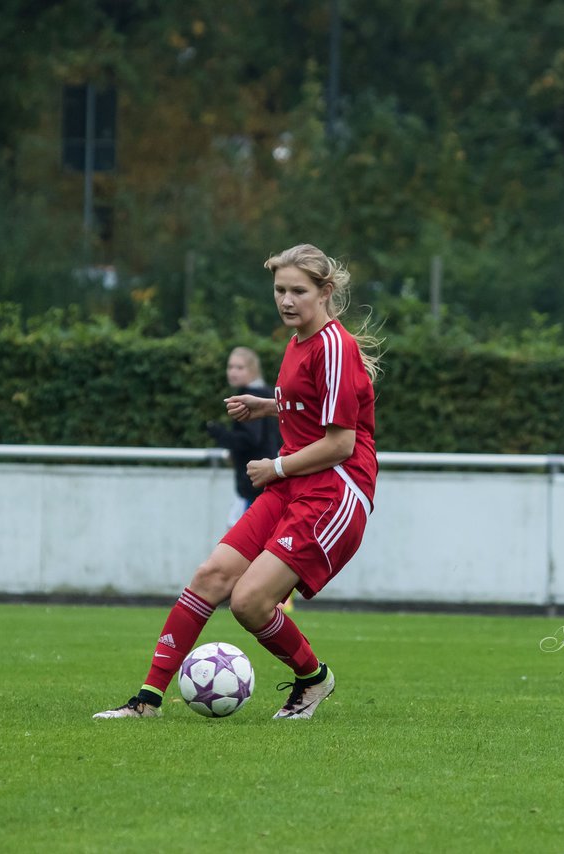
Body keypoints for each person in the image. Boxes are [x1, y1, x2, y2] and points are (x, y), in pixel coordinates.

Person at [95, 243, 379, 720]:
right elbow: (309, 405)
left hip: (335, 491)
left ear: (325, 291)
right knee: (211, 576)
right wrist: (267, 406)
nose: (286, 300)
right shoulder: (297, 342)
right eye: (279, 290)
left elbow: (341, 444)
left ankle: (314, 680)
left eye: (298, 291)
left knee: (249, 602)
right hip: (297, 480)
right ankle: (147, 701)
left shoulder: (335, 346)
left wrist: (276, 467)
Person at [206, 346, 282, 527]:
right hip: (265, 482)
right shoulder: (269, 394)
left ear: (252, 370)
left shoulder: (251, 397)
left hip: (254, 486)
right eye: (230, 367)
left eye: (239, 367)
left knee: (241, 546)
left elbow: (250, 439)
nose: (233, 372)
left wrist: (219, 433)